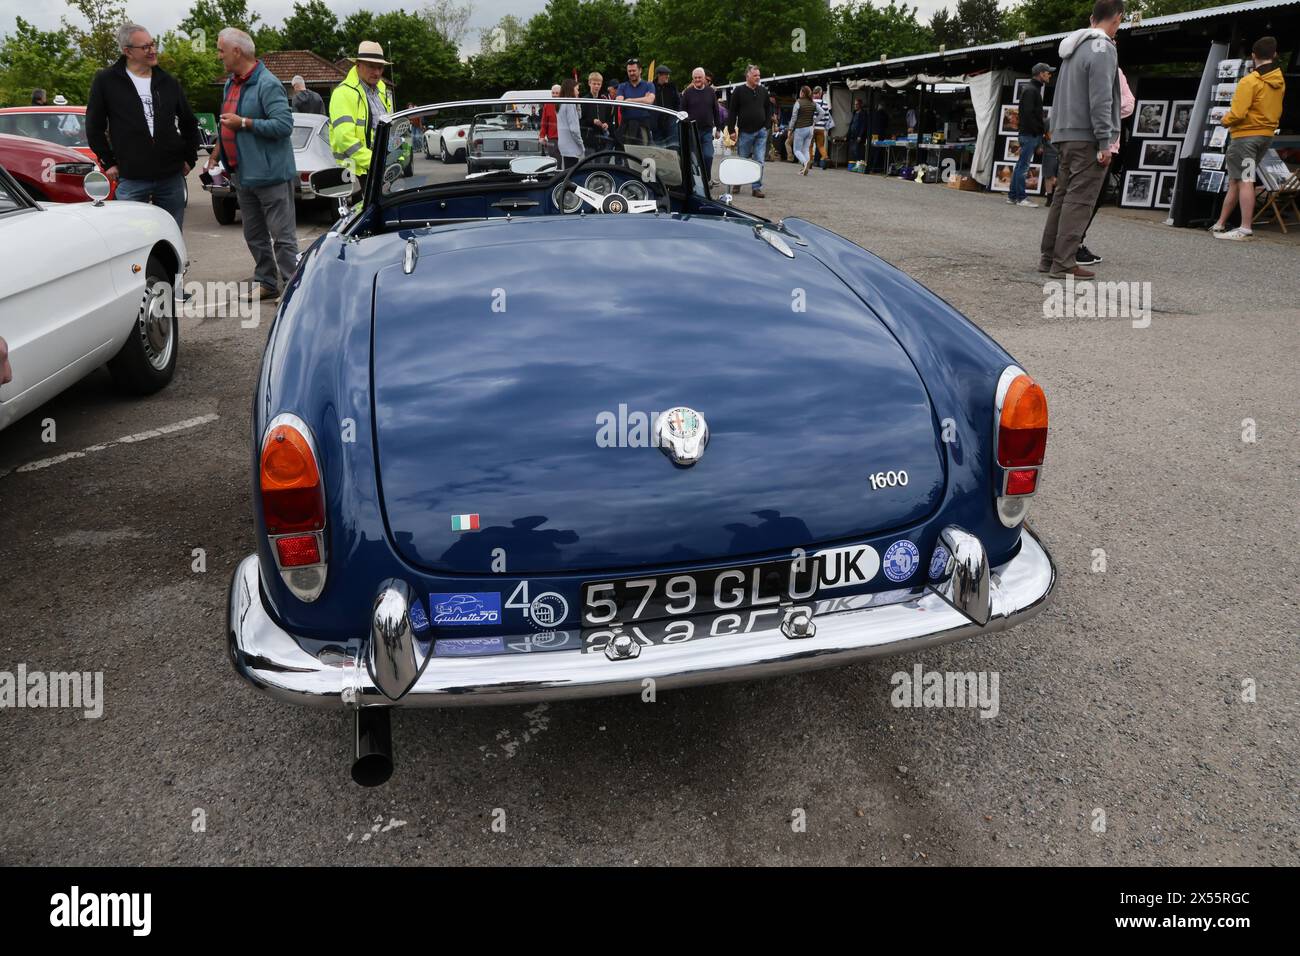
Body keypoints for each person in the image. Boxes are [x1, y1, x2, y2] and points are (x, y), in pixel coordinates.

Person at [207, 27, 298, 302]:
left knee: (282, 236)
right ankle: (267, 282)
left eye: (222, 50)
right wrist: (216, 153)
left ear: (237, 51)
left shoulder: (267, 84)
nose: (218, 55)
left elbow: (284, 125)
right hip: (242, 173)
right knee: (254, 234)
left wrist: (244, 123)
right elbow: (226, 122)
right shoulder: (231, 82)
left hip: (270, 175)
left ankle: (293, 287)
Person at [1038, 0, 1123, 280]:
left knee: (1062, 196)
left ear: (1091, 18)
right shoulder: (1104, 49)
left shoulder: (1072, 49)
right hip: (1086, 136)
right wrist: (1104, 141)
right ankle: (1063, 262)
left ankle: (1049, 257)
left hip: (1064, 132)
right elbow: (1101, 99)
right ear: (1118, 19)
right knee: (1080, 200)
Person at [86, 22, 199, 229]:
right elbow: (94, 127)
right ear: (127, 51)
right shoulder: (106, 81)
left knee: (171, 233)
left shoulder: (168, 82)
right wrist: (108, 162)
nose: (153, 50)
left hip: (171, 177)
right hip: (131, 177)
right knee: (131, 237)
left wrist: (189, 158)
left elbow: (189, 122)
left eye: (153, 44)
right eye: (145, 47)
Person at [1212, 35, 1286, 241]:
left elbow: (1238, 113)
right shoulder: (1279, 81)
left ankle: (1244, 227)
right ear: (1275, 55)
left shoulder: (1249, 81)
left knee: (1244, 179)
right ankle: (1220, 223)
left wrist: (1224, 120)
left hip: (1245, 137)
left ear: (1253, 56)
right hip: (1265, 135)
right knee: (1237, 179)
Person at [1076, 66, 1134, 264]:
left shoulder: (1112, 71)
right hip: (1095, 143)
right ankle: (1071, 246)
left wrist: (1101, 110)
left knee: (1088, 196)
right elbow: (1127, 104)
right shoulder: (1104, 69)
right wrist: (1106, 110)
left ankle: (1072, 244)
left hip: (1087, 140)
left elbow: (1128, 104)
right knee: (1085, 197)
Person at [328, 41, 394, 191]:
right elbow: (345, 139)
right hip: (353, 177)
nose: (377, 72)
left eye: (380, 67)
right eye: (371, 66)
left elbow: (387, 130)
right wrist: (377, 162)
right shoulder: (343, 93)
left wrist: (396, 157)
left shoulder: (381, 90)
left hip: (379, 171)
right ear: (358, 65)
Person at [725, 64, 773, 197]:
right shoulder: (739, 91)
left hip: (761, 131)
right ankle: (738, 182)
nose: (758, 78)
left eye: (759, 75)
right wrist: (731, 130)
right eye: (755, 75)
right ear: (748, 76)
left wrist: (767, 125)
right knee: (742, 159)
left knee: (759, 160)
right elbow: (732, 111)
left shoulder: (763, 91)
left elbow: (768, 109)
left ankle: (756, 188)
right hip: (745, 131)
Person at [1009, 63, 1053, 207]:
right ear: (1041, 74)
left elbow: (1030, 115)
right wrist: (1038, 133)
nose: (1049, 75)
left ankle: (1013, 196)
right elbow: (1028, 115)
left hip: (1028, 134)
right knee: (1023, 166)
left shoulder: (1032, 89)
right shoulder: (1031, 90)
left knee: (1020, 165)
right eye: (1047, 72)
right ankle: (1021, 198)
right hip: (1029, 134)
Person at [680, 67, 723, 178]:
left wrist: (718, 128)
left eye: (700, 77)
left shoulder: (710, 92)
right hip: (692, 131)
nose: (698, 80)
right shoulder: (688, 93)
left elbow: (716, 111)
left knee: (708, 155)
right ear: (692, 79)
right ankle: (695, 181)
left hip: (707, 130)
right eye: (695, 78)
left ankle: (707, 178)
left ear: (704, 78)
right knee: (694, 158)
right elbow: (682, 112)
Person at [616, 58, 655, 144]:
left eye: (634, 70)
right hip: (626, 128)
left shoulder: (649, 85)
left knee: (642, 155)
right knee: (625, 155)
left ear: (640, 70)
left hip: (643, 127)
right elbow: (620, 102)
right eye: (629, 71)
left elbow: (650, 100)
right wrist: (642, 99)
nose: (631, 73)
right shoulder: (622, 86)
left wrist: (630, 100)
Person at [557, 77, 584, 169]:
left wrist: (578, 103)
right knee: (571, 174)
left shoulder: (562, 103)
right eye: (577, 89)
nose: (578, 92)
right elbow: (574, 129)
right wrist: (581, 144)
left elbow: (579, 116)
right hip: (571, 144)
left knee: (568, 170)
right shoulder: (569, 103)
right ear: (571, 89)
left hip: (564, 143)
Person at [790, 85, 817, 175]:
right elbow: (823, 112)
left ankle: (805, 164)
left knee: (796, 150)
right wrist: (815, 121)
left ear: (802, 93)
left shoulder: (798, 102)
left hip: (800, 129)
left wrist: (790, 129)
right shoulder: (813, 103)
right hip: (810, 129)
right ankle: (806, 167)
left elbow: (794, 117)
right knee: (805, 150)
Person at [653, 65, 680, 138]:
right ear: (659, 75)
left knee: (672, 145)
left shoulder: (672, 87)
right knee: (658, 146)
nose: (668, 76)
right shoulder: (652, 87)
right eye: (666, 74)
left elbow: (678, 102)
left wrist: (675, 117)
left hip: (671, 122)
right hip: (657, 123)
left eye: (668, 74)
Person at [811, 86, 834, 169]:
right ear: (820, 93)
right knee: (820, 146)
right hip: (821, 129)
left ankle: (809, 163)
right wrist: (823, 125)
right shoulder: (825, 103)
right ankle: (825, 157)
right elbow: (827, 117)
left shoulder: (811, 102)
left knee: (810, 145)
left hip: (812, 128)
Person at [539, 84, 561, 163]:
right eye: (553, 93)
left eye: (557, 93)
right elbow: (544, 123)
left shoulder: (565, 104)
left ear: (561, 93)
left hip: (565, 138)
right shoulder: (547, 105)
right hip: (553, 139)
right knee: (555, 163)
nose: (554, 95)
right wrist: (542, 136)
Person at [848, 98, 869, 162]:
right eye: (855, 104)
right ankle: (853, 163)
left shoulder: (863, 113)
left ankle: (859, 163)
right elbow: (851, 123)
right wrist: (848, 133)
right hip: (852, 135)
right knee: (852, 150)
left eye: (857, 104)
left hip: (858, 136)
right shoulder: (854, 112)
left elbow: (863, 125)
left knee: (857, 150)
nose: (855, 106)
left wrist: (860, 135)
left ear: (860, 105)